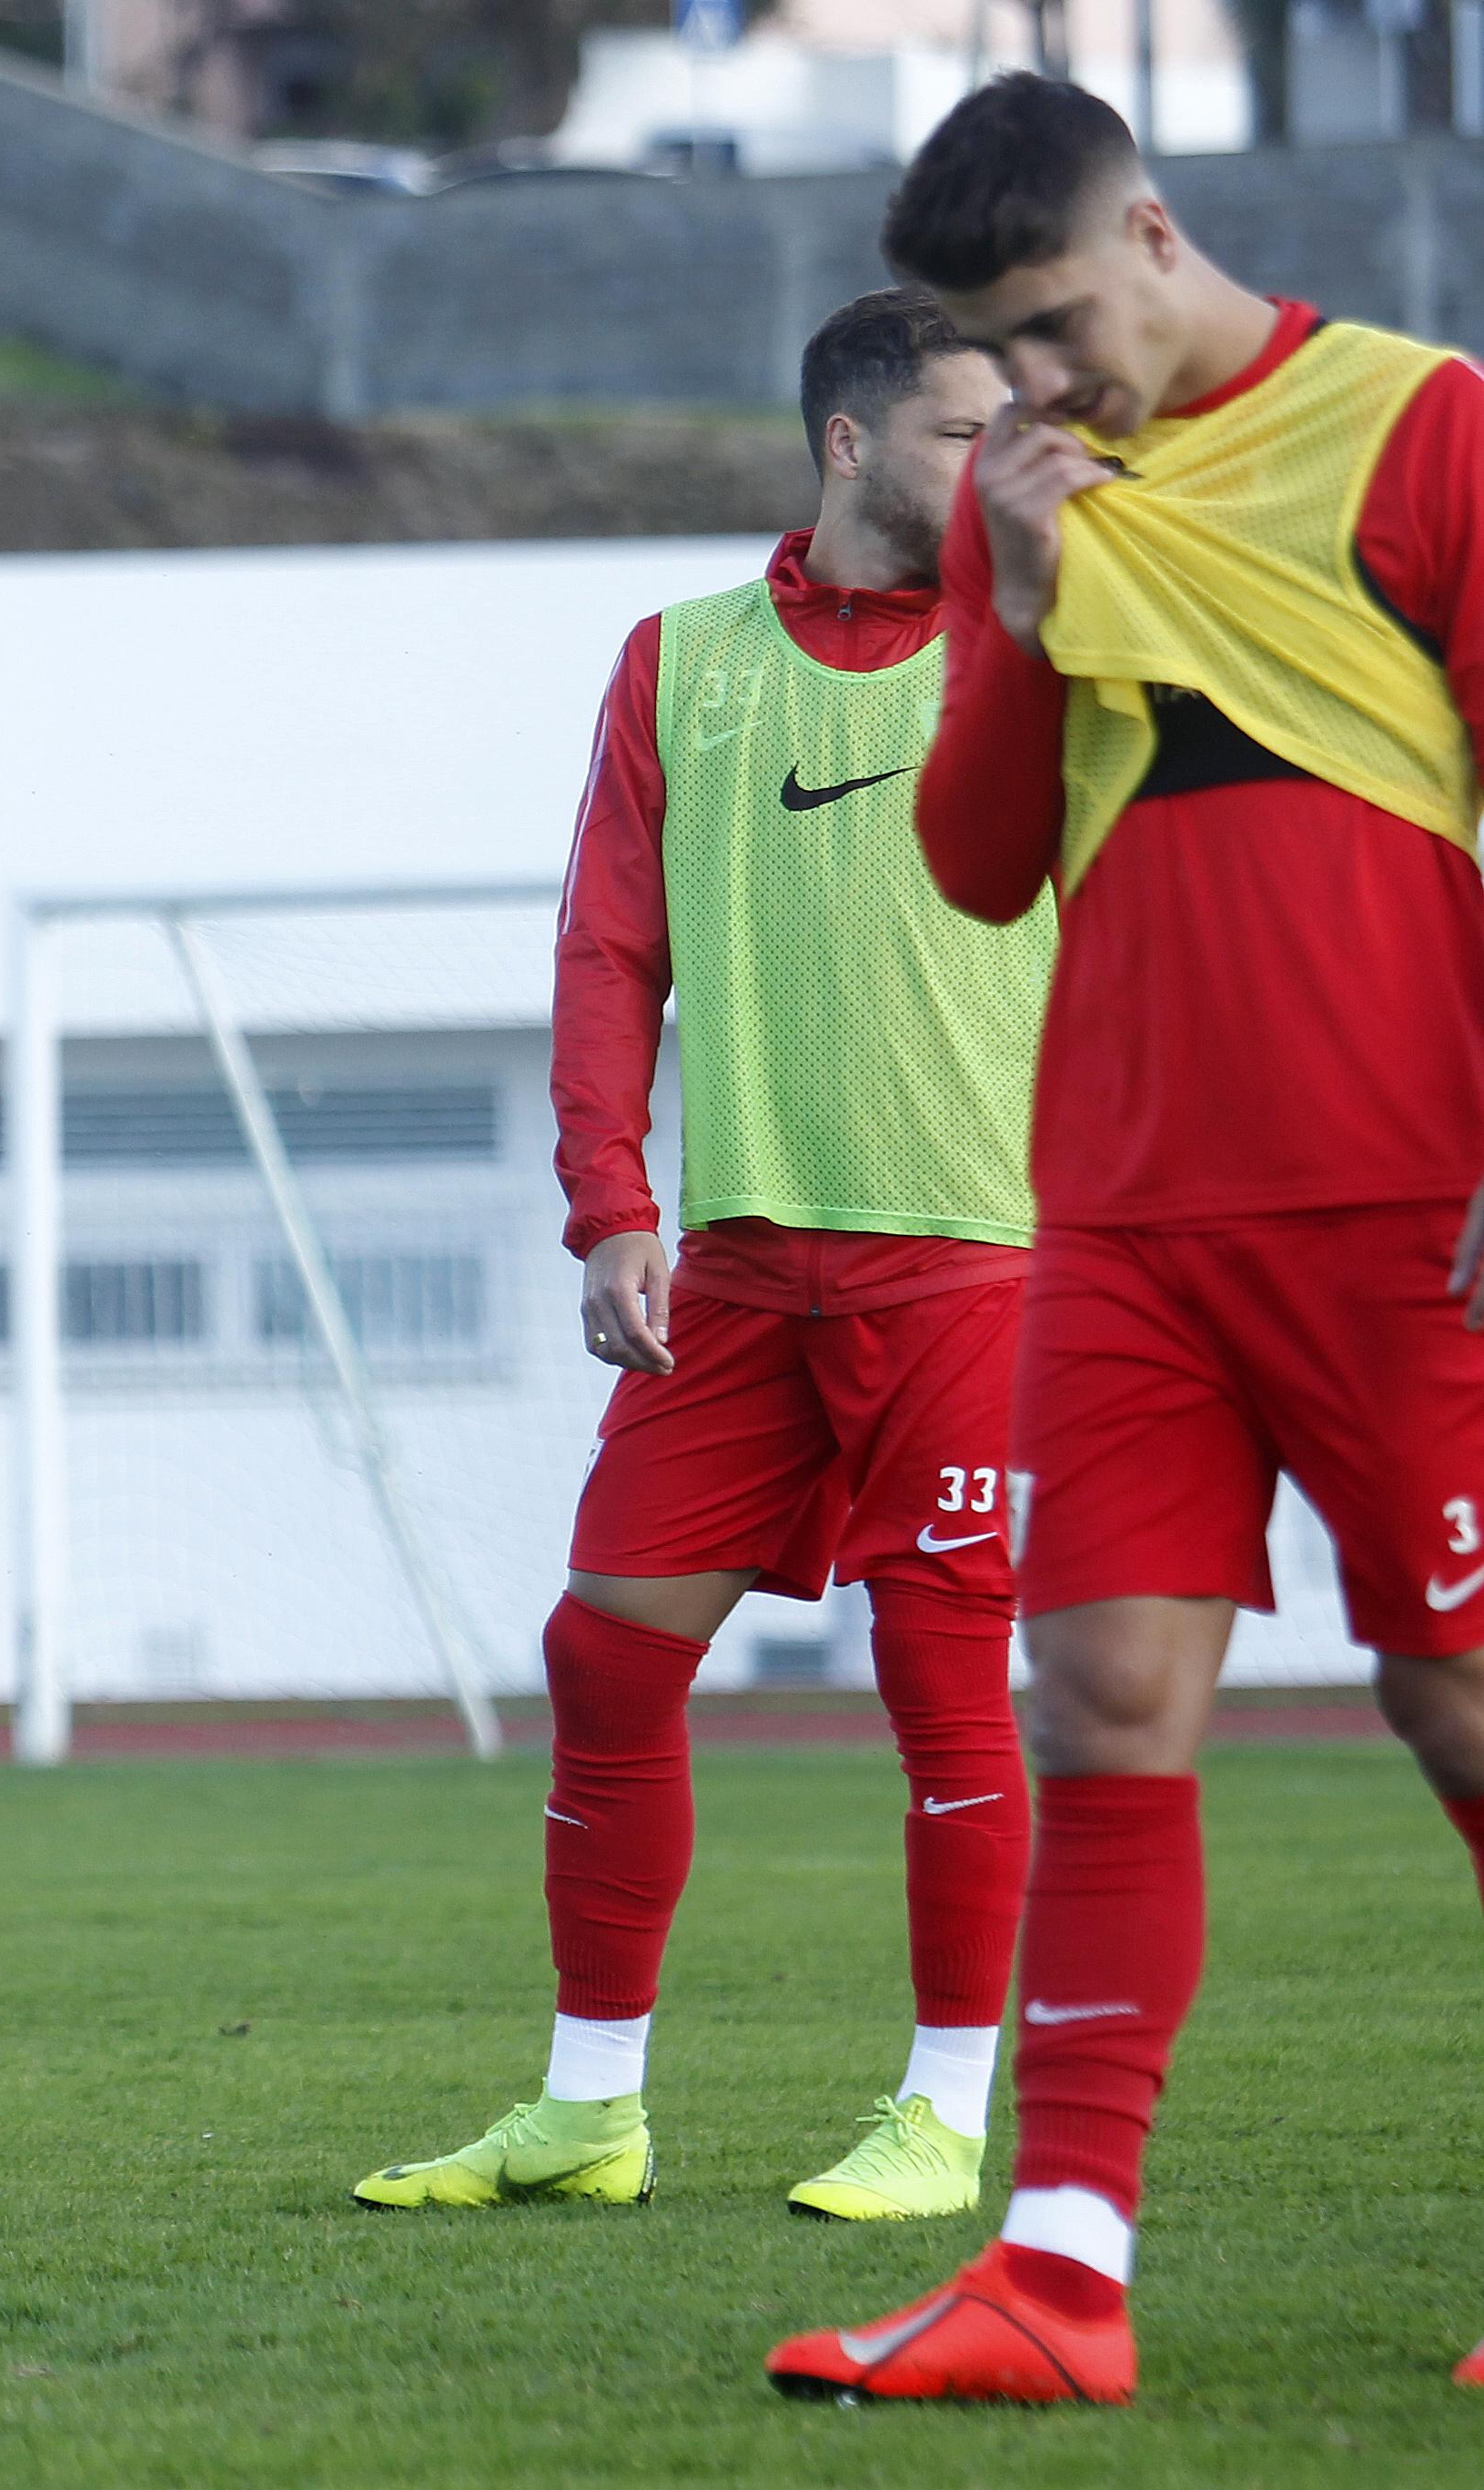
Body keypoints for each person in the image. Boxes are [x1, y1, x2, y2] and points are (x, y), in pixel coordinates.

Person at [767, 77, 1484, 2405]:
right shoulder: (1030, 517)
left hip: (1401, 1210)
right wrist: (1011, 605)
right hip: (1121, 1219)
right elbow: (979, 866)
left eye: (1055, 324)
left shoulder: (1420, 429)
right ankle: (1055, 2285)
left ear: (1152, 234)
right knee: (1093, 1703)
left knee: (1452, 1704)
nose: (1036, 387)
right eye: (992, 356)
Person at [356, 291, 1051, 2223]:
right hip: (739, 1271)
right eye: (952, 437)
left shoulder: (1048, 660)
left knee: (941, 1681)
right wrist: (609, 1207)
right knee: (603, 1653)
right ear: (844, 444)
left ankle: (938, 2116)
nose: (986, 472)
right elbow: (606, 956)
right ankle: (589, 2108)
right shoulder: (674, 664)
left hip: (975, 1267)